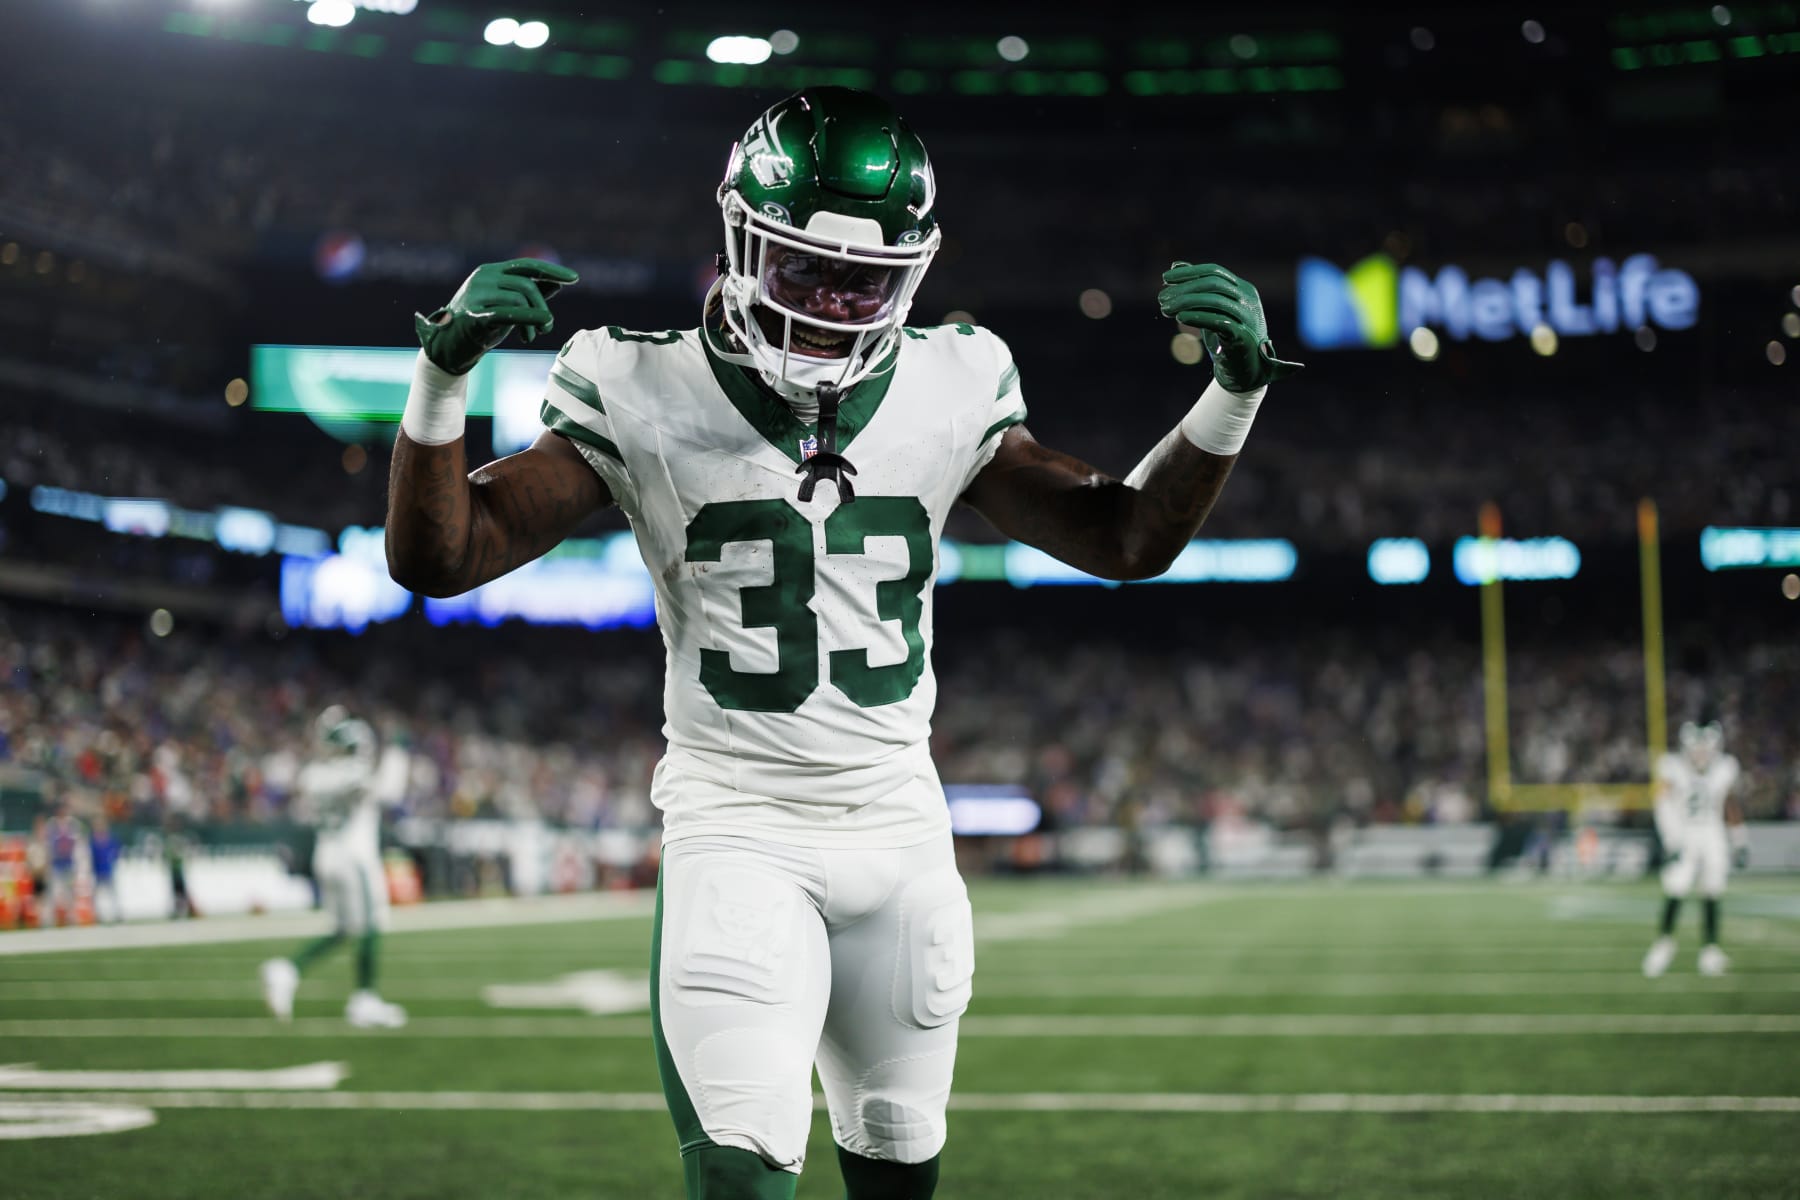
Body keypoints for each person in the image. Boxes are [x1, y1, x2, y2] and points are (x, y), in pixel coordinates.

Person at [384, 86, 1298, 1199]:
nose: (830, 304)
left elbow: (1126, 537)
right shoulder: (635, 379)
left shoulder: (954, 380)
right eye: (802, 270)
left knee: (900, 1164)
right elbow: (444, 558)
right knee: (743, 1170)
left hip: (901, 834)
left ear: (910, 275)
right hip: (740, 825)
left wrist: (1234, 398)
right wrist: (440, 384)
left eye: (862, 280)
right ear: (738, 244)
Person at [260, 707, 407, 1029]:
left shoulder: (315, 774)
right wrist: (397, 753)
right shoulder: (351, 773)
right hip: (354, 857)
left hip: (326, 855)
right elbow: (391, 792)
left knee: (344, 929)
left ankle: (288, 970)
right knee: (371, 926)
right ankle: (365, 999)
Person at [1643, 717, 1745, 978]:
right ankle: (1664, 944)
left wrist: (1739, 839)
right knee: (1675, 888)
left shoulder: (1725, 767)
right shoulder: (1672, 766)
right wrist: (1671, 840)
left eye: (1705, 749)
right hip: (1684, 834)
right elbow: (1662, 804)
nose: (1700, 755)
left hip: (1712, 834)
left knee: (1713, 890)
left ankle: (1710, 951)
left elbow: (1730, 805)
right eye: (1696, 749)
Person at [43, 804, 85, 927]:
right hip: (57, 864)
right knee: (53, 892)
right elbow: (49, 846)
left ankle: (71, 917)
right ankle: (49, 919)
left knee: (70, 893)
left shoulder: (73, 825)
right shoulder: (52, 826)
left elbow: (78, 843)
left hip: (68, 863)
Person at [89, 815, 123, 925]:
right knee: (97, 895)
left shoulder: (110, 838)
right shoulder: (93, 840)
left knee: (112, 893)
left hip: (108, 870)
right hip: (98, 871)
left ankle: (117, 914)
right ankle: (98, 915)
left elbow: (116, 852)